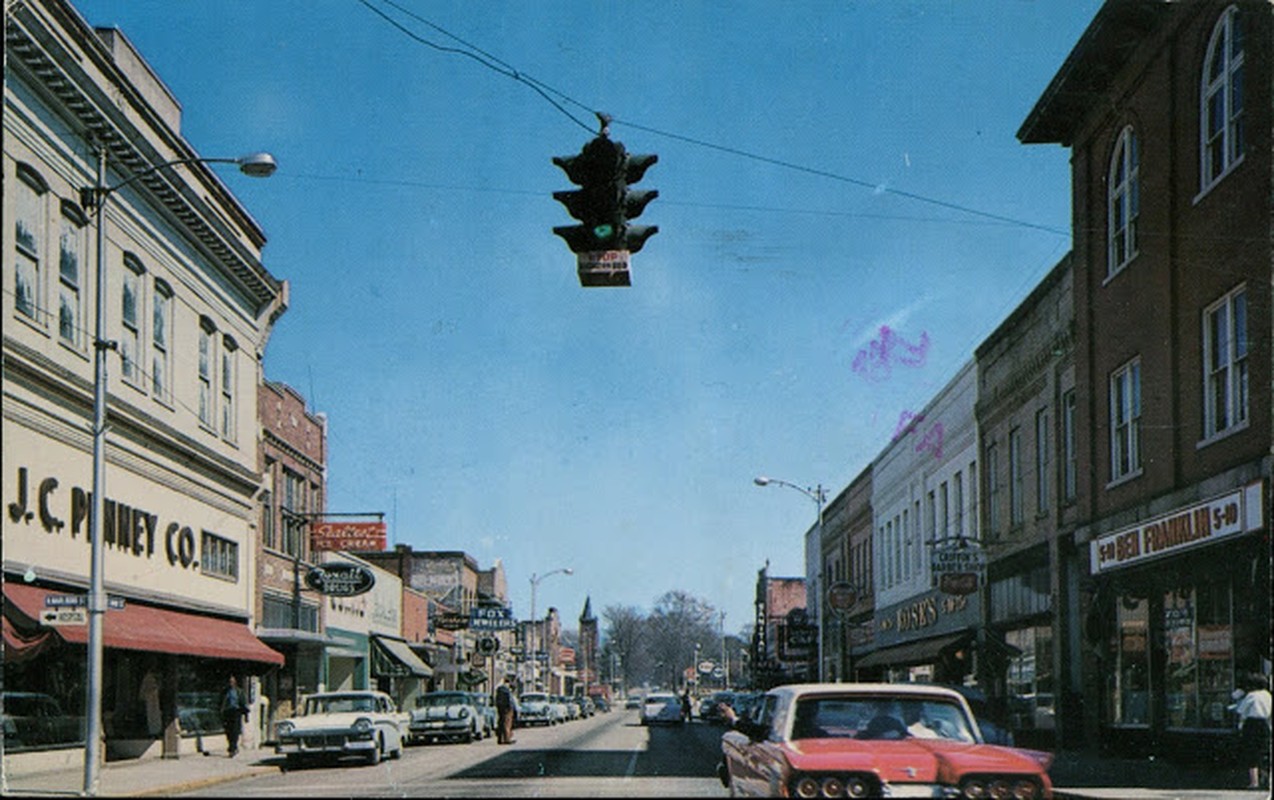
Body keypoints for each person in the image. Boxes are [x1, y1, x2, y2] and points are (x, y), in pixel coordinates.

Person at [1232, 673, 1271, 789]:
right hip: (1265, 723)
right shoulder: (1268, 695)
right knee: (1264, 750)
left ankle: (1254, 782)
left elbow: (1241, 710)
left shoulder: (1252, 695)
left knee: (1251, 752)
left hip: (1252, 724)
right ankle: (1266, 777)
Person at [220, 675, 248, 757]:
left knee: (235, 731)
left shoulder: (239, 692)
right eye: (229, 682)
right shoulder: (225, 692)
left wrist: (246, 715)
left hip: (236, 712)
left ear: (235, 682)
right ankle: (232, 746)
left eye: (232, 682)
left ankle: (233, 748)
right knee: (228, 731)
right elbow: (221, 702)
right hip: (227, 712)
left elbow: (243, 703)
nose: (230, 683)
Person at [494, 676, 519, 745]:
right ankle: (507, 739)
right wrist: (513, 709)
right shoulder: (506, 690)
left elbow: (496, 700)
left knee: (501, 723)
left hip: (500, 708)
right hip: (508, 709)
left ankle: (500, 739)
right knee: (507, 724)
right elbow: (510, 701)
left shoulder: (499, 690)